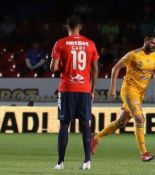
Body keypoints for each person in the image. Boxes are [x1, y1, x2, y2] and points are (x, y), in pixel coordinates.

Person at [91, 32, 155, 162]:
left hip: (140, 93)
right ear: (145, 41)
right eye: (152, 43)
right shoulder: (133, 55)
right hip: (129, 90)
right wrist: (112, 87)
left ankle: (96, 138)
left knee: (121, 123)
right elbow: (115, 68)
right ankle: (144, 153)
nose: (154, 45)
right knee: (140, 119)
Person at [50, 14, 99, 170]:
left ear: (67, 26)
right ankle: (87, 161)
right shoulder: (90, 43)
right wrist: (92, 90)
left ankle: (60, 163)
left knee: (64, 124)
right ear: (80, 26)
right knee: (85, 125)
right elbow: (95, 70)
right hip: (84, 89)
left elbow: (53, 68)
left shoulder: (60, 43)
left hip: (67, 88)